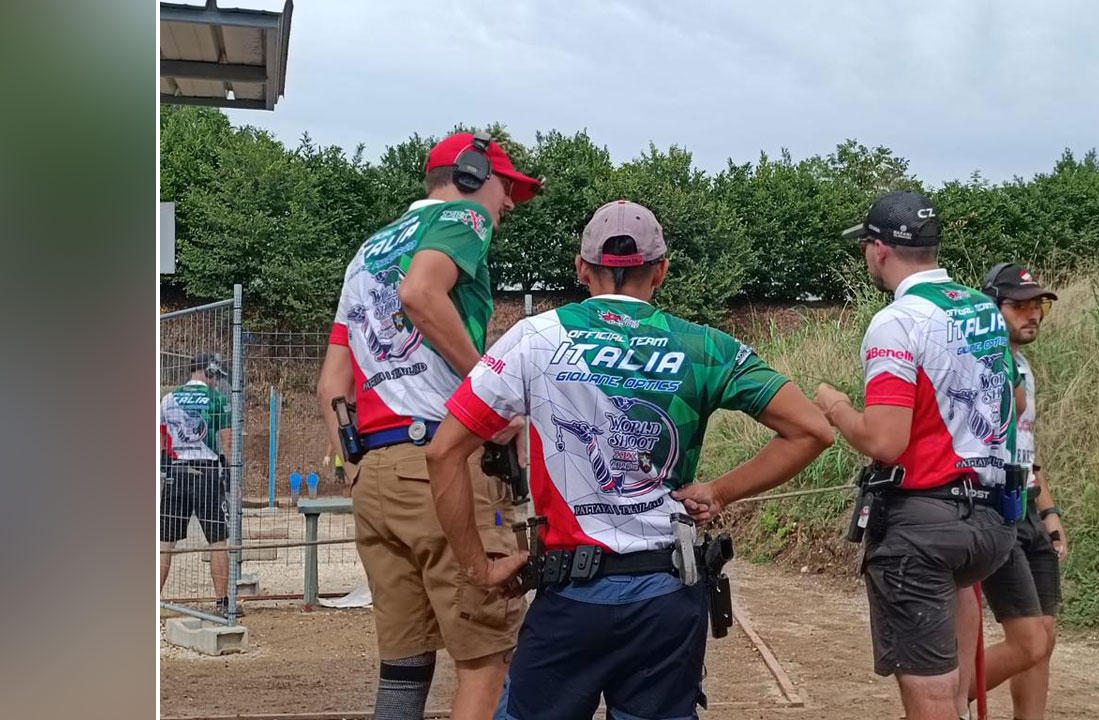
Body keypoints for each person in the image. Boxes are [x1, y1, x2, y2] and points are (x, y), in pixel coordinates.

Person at [424, 200, 833, 720]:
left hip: (570, 597)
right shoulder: (704, 345)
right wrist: (720, 491)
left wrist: (478, 565)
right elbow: (812, 429)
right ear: (660, 271)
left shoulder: (535, 338)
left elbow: (443, 451)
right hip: (666, 597)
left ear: (582, 268)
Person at [315, 131, 541, 720]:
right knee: (486, 658)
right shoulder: (464, 217)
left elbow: (332, 385)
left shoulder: (366, 252)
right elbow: (419, 293)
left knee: (404, 664)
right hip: (442, 464)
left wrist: (356, 467)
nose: (508, 203)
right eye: (505, 187)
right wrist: (492, 393)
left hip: (376, 473)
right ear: (472, 176)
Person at [815, 190, 1020, 720]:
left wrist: (836, 407)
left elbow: (885, 441)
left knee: (929, 694)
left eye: (865, 245)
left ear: (879, 248)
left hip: (924, 522)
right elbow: (1015, 402)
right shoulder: (982, 308)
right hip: (992, 520)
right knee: (953, 683)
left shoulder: (897, 321)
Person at [972, 262, 1066, 719]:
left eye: (1038, 306)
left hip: (1027, 504)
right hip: (993, 506)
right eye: (1020, 305)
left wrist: (1050, 513)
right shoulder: (980, 364)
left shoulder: (1024, 367)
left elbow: (1027, 447)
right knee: (1028, 640)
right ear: (992, 308)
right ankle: (940, 703)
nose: (1032, 314)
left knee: (1045, 636)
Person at [159, 351, 234, 616]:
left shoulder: (168, 399)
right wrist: (232, 473)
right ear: (209, 371)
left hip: (176, 472)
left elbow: (161, 440)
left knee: (164, 542)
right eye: (216, 375)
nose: (217, 381)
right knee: (218, 541)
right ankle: (223, 603)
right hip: (207, 472)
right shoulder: (217, 399)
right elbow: (228, 441)